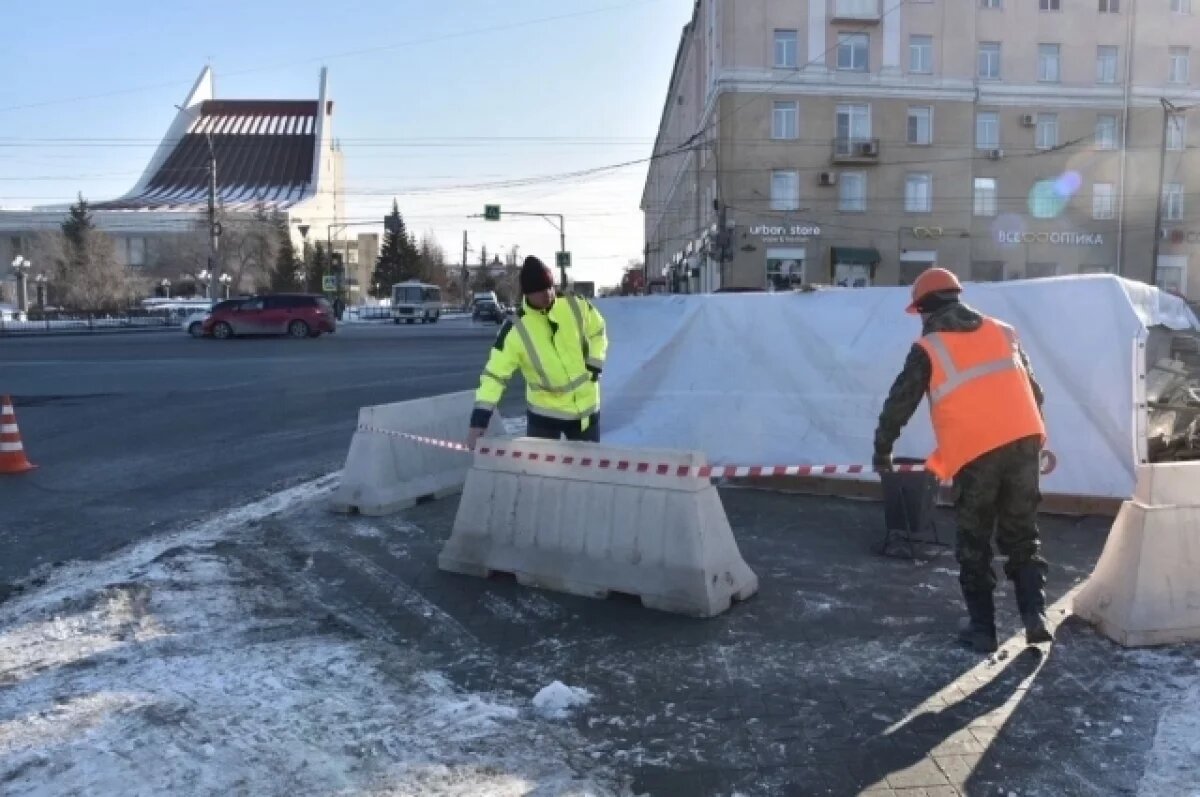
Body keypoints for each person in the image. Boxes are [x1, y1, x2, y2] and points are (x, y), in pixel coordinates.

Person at [872, 267, 1052, 653]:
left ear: (925, 308)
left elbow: (900, 402)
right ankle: (1035, 615)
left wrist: (882, 449)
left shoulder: (930, 347)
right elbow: (1035, 391)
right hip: (1024, 440)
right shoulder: (1003, 331)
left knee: (974, 539)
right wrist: (1030, 437)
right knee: (1022, 533)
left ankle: (983, 630)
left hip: (976, 451)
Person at [467, 256, 607, 448]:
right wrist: (479, 419)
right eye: (540, 290)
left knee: (587, 466)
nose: (547, 294)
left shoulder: (575, 304)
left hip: (586, 410)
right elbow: (495, 375)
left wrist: (595, 364)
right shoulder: (516, 328)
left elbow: (598, 330)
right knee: (539, 467)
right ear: (527, 293)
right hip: (545, 415)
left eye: (549, 287)